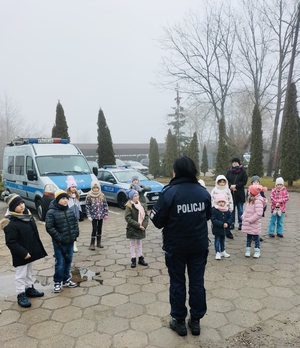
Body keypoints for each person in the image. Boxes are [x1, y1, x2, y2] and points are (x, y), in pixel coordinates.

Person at [150, 156, 211, 337]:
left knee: (177, 283)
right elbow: (207, 215)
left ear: (176, 172)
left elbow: (156, 220)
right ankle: (196, 320)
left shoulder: (169, 192)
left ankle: (179, 321)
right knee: (197, 283)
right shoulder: (203, 192)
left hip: (175, 248)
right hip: (199, 246)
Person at [0, 194, 47, 307]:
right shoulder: (11, 223)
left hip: (30, 251)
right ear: (12, 207)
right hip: (21, 254)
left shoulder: (27, 216)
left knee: (29, 272)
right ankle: (21, 294)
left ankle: (29, 288)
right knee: (21, 274)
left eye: (22, 203)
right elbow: (11, 242)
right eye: (18, 204)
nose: (21, 206)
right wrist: (23, 252)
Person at [45, 190, 79, 293]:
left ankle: (66, 279)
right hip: (59, 243)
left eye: (66, 199)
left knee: (68, 260)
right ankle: (57, 282)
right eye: (63, 198)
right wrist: (59, 237)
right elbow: (49, 227)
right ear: (57, 200)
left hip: (70, 241)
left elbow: (75, 223)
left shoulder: (69, 210)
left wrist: (75, 234)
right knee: (60, 262)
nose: (65, 201)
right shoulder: (51, 212)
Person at [125, 189, 149, 268]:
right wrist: (138, 225)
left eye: (137, 195)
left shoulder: (141, 205)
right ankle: (133, 259)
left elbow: (146, 215)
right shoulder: (129, 206)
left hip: (141, 228)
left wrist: (144, 226)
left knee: (139, 243)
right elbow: (128, 218)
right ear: (131, 197)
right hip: (133, 228)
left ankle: (140, 258)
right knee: (132, 244)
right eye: (135, 196)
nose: (136, 197)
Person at [242, 184, 267, 258]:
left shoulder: (258, 201)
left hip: (254, 223)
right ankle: (248, 250)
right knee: (248, 237)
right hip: (249, 223)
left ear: (253, 192)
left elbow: (259, 213)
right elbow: (247, 210)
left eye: (249, 190)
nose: (248, 191)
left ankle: (257, 250)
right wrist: (244, 216)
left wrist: (250, 220)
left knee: (256, 238)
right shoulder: (250, 199)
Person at [226, 157, 248, 235]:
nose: (235, 163)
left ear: (239, 163)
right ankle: (232, 223)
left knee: (240, 210)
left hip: (239, 193)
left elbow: (244, 181)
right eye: (233, 162)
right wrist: (230, 186)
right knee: (232, 210)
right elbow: (225, 181)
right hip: (231, 193)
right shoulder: (229, 172)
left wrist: (236, 186)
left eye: (236, 162)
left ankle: (241, 223)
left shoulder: (242, 172)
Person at [85, 180, 109, 250]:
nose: (95, 189)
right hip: (93, 216)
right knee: (94, 229)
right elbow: (87, 207)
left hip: (100, 215)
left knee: (99, 228)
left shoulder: (102, 195)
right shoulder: (89, 196)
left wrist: (106, 213)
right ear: (92, 189)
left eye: (97, 188)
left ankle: (99, 242)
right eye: (94, 188)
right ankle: (92, 243)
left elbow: (105, 205)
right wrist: (89, 215)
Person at [211, 193, 233, 260]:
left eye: (222, 202)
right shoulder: (214, 210)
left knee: (222, 240)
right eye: (219, 202)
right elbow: (213, 219)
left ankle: (223, 251)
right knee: (217, 240)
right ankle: (217, 252)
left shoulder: (227, 210)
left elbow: (230, 217)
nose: (221, 203)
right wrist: (221, 224)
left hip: (224, 229)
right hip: (217, 229)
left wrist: (228, 223)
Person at [247, 175, 267, 242]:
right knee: (251, 223)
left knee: (257, 224)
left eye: (257, 182)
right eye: (254, 182)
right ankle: (251, 235)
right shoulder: (249, 190)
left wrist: (263, 207)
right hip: (251, 210)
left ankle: (257, 235)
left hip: (259, 210)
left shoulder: (261, 190)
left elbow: (264, 199)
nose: (256, 183)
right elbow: (247, 199)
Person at [66, 175, 82, 253]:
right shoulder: (67, 197)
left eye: (75, 187)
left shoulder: (76, 196)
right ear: (69, 188)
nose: (74, 188)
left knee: (75, 230)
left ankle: (75, 244)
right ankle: (71, 244)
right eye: (72, 187)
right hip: (69, 217)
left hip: (76, 217)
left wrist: (80, 214)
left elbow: (78, 205)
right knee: (70, 231)